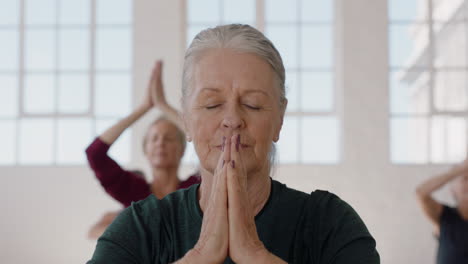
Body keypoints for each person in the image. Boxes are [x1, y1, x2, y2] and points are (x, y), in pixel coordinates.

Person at [87, 24, 379, 263]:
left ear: (279, 119)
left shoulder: (328, 223)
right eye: (212, 104)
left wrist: (255, 255)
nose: (232, 119)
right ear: (186, 119)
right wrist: (199, 257)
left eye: (252, 105)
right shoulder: (139, 229)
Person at [86, 61, 200, 239]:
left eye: (169, 138)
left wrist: (163, 106)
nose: (160, 143)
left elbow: (206, 140)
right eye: (154, 139)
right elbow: (95, 153)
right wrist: (143, 108)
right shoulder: (133, 192)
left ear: (183, 149)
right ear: (145, 150)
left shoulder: (195, 188)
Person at [415, 159, 468, 264]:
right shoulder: (445, 216)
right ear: (452, 189)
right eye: (465, 179)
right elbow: (421, 193)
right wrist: (459, 170)